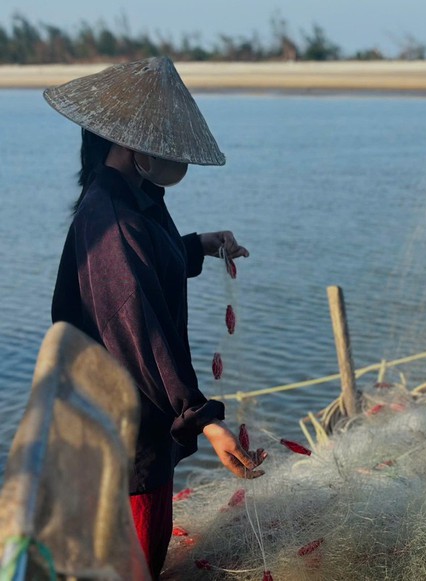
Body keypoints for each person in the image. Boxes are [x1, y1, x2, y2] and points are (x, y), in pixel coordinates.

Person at [45, 56, 266, 578]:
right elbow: (137, 330)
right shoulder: (110, 217)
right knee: (133, 561)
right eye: (161, 142)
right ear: (129, 145)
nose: (170, 154)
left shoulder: (135, 197)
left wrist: (198, 245)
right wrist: (203, 419)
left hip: (141, 422)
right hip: (122, 433)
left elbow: (147, 266)